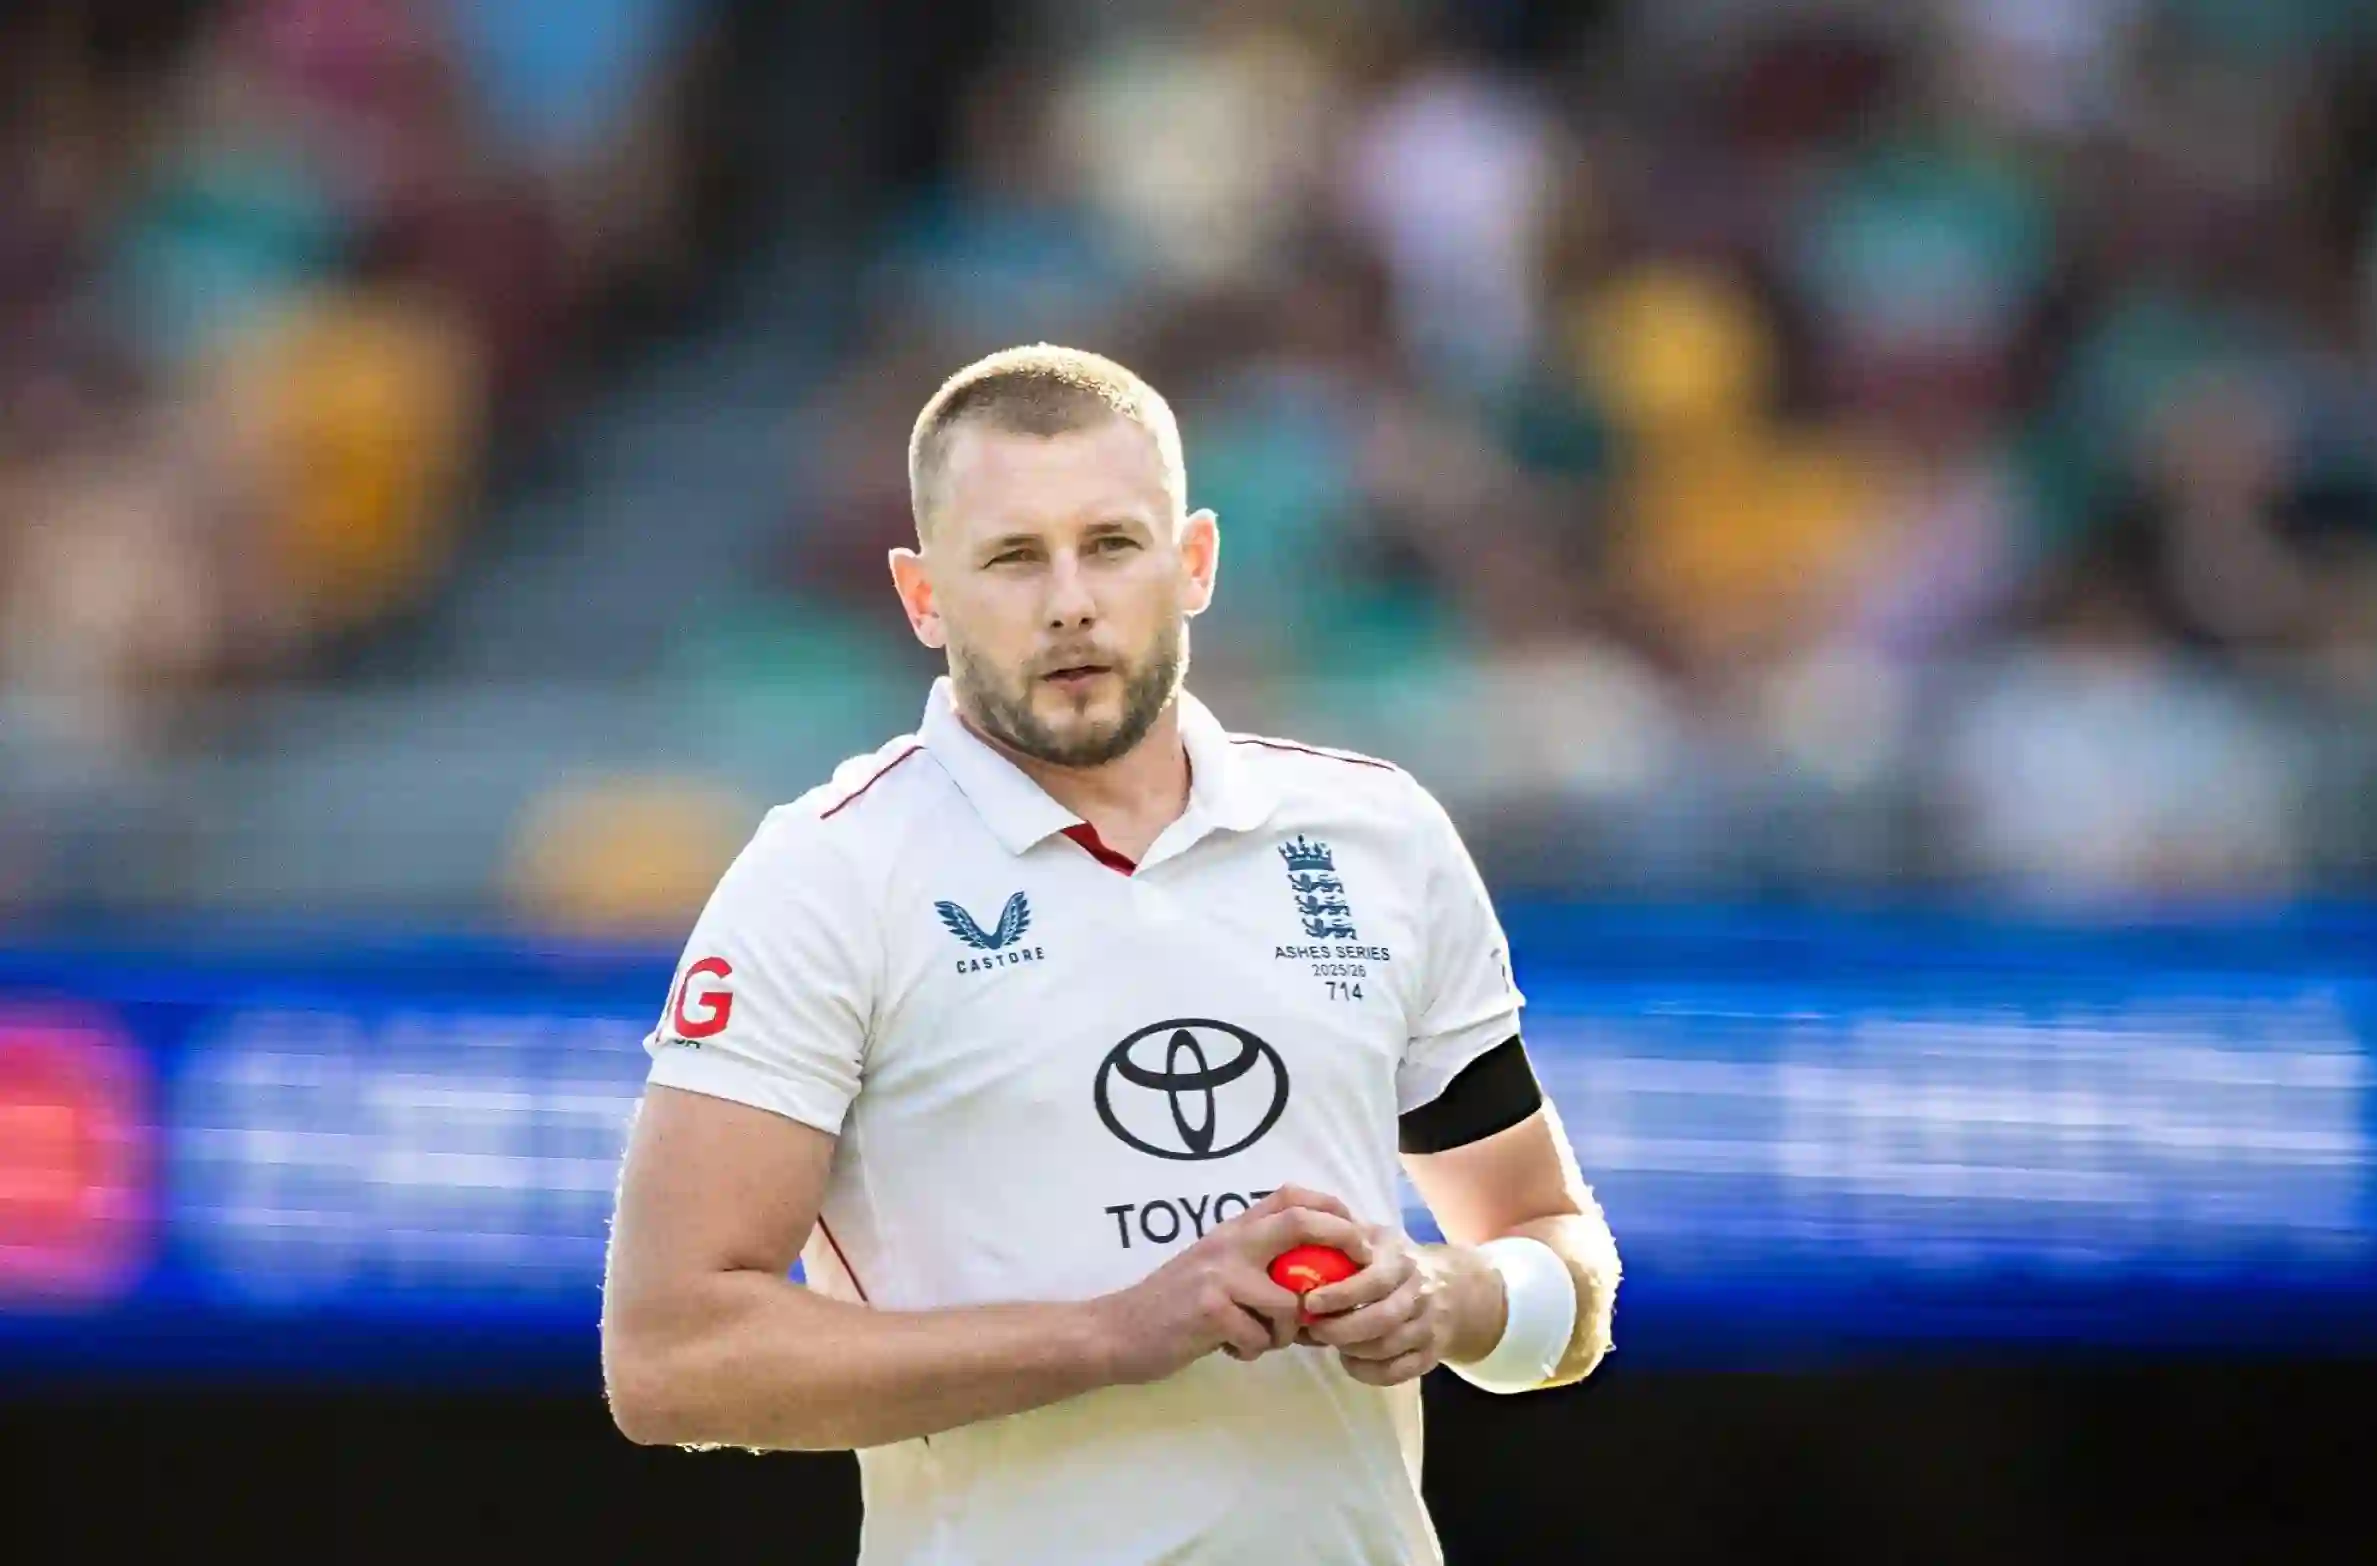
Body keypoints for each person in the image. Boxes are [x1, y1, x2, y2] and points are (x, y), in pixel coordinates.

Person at [602, 344, 1621, 1564]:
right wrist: (1114, 1333)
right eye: (1013, 558)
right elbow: (671, 1359)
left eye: (1111, 545)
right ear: (923, 596)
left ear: (1194, 562)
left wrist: (1451, 1298)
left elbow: (1560, 1262)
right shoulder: (827, 876)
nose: (1070, 601)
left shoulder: (1377, 835)